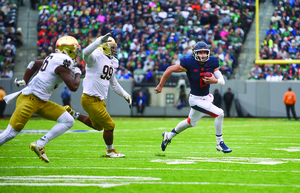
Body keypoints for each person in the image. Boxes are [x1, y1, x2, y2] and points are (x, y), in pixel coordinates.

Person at [0, 36, 82, 163]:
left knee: (68, 120)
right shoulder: (64, 61)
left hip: (41, 102)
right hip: (30, 99)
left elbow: (33, 63)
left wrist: (25, 80)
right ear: (68, 50)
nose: (76, 54)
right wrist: (78, 73)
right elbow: (74, 87)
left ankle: (39, 144)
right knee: (10, 133)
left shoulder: (53, 57)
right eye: (75, 50)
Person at [155, 42, 232, 153]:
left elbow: (222, 81)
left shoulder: (212, 62)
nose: (202, 55)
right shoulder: (189, 63)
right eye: (200, 52)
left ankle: (168, 136)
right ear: (195, 53)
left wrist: (214, 80)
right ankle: (220, 143)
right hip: (195, 100)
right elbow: (170, 69)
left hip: (206, 98)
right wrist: (160, 85)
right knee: (220, 113)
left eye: (204, 52)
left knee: (190, 122)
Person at [64, 32, 132, 158]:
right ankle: (110, 151)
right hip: (90, 98)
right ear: (105, 46)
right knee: (110, 125)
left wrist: (126, 95)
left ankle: (74, 114)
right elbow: (85, 53)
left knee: (98, 126)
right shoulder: (95, 57)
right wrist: (98, 41)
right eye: (112, 47)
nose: (114, 50)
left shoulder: (112, 61)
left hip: (99, 100)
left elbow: (114, 84)